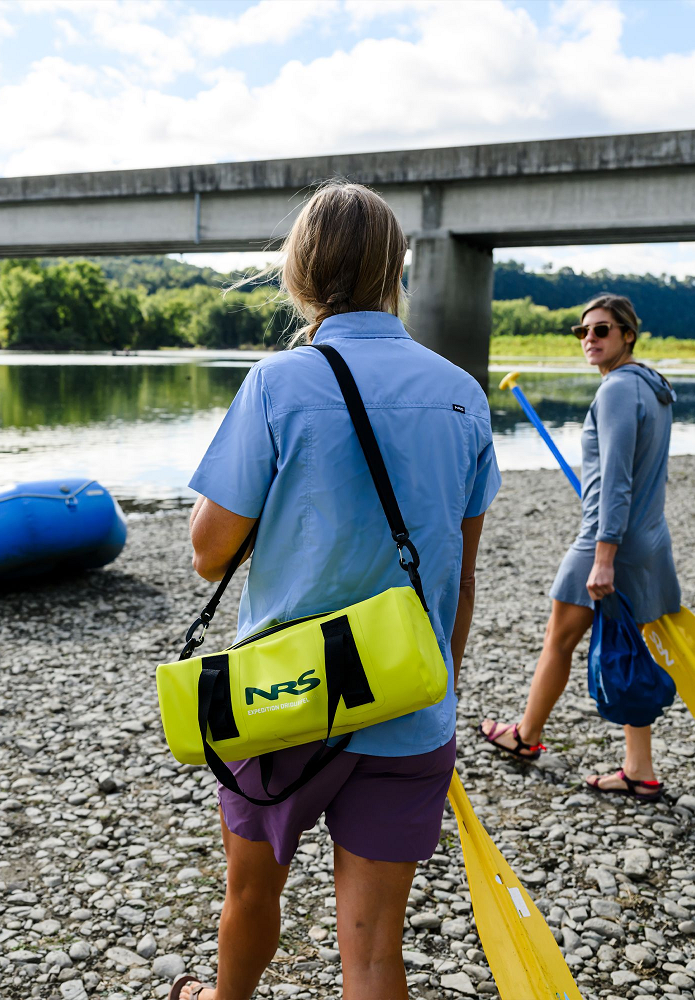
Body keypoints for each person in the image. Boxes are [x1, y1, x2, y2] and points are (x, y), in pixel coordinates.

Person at [170, 180, 501, 1000]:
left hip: (282, 699)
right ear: (397, 271)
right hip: (407, 698)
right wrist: (442, 694)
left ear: (299, 273)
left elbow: (210, 555)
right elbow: (459, 578)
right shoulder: (462, 394)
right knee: (376, 951)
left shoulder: (278, 386)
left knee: (250, 894)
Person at [479, 294, 680, 802]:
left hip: (604, 541)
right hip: (648, 541)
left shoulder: (616, 391)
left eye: (603, 330)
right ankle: (640, 769)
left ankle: (525, 736)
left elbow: (615, 481)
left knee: (559, 641)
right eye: (582, 331)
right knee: (630, 649)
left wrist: (604, 554)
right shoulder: (656, 389)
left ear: (627, 335)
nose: (590, 338)